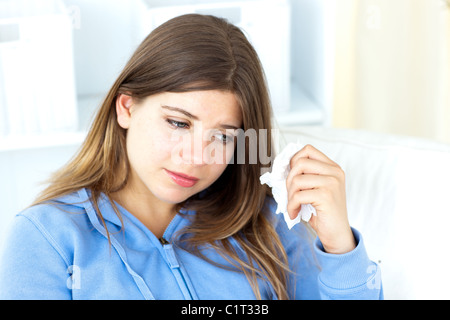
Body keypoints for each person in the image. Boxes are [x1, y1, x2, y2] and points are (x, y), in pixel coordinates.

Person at [0, 14, 382, 300]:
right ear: (126, 108)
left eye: (222, 136)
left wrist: (338, 245)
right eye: (179, 123)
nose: (196, 157)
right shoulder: (48, 238)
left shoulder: (271, 224)